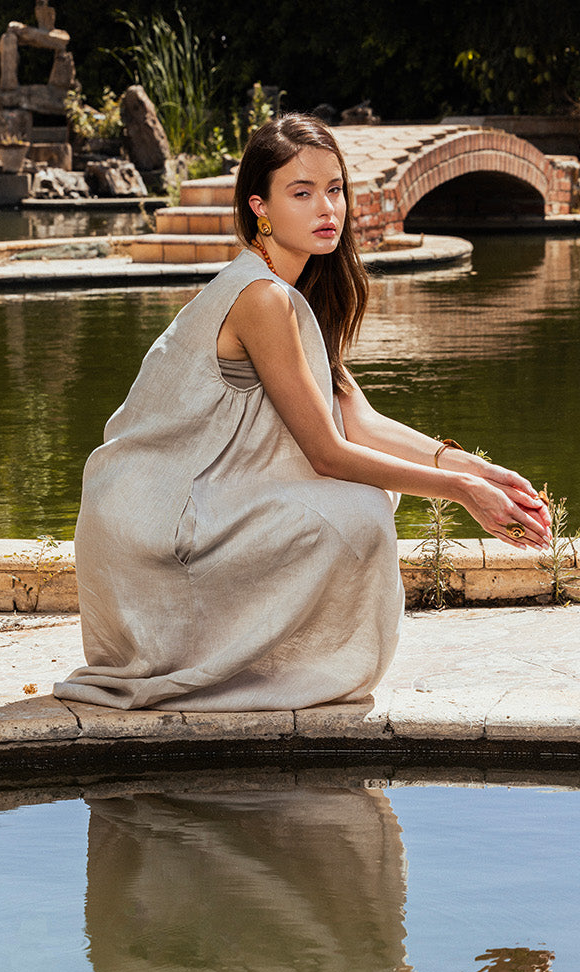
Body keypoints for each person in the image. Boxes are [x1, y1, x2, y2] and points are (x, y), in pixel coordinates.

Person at [53, 114, 550, 712]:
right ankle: (269, 671)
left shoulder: (291, 290)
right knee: (361, 509)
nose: (327, 209)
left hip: (174, 509)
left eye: (335, 189)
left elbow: (358, 422)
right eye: (302, 193)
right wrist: (460, 492)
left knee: (370, 497)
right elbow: (328, 452)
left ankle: (271, 662)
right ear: (260, 208)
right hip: (152, 527)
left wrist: (480, 471)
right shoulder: (261, 296)